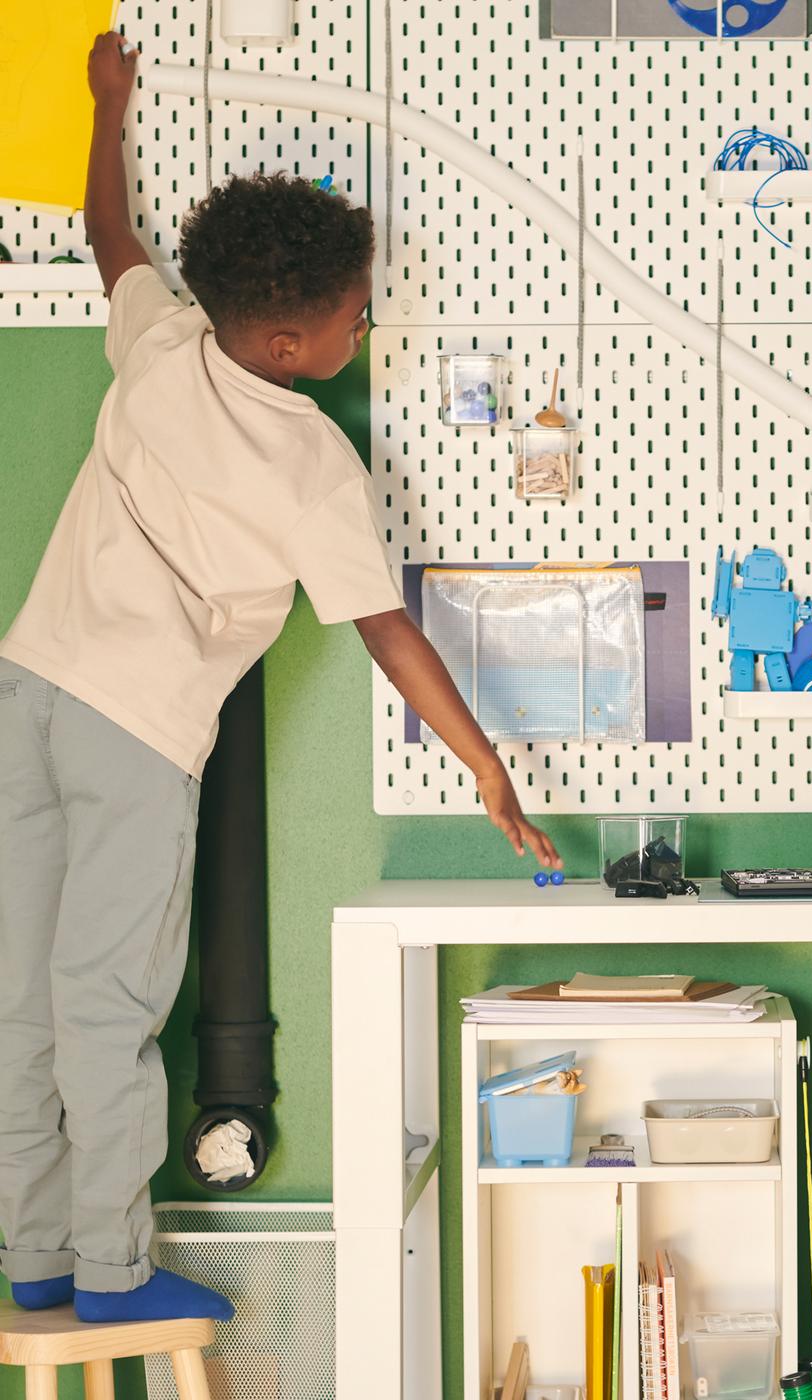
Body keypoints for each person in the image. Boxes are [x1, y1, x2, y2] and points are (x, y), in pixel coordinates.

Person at [0, 33, 560, 1324]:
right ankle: (110, 1274)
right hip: (132, 738)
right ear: (301, 341)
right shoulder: (312, 467)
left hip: (26, 691)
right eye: (362, 311)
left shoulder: (163, 348)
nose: (371, 322)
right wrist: (483, 759)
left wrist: (107, 107)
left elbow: (108, 239)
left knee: (24, 997)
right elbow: (387, 631)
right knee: (106, 1002)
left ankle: (32, 1251)